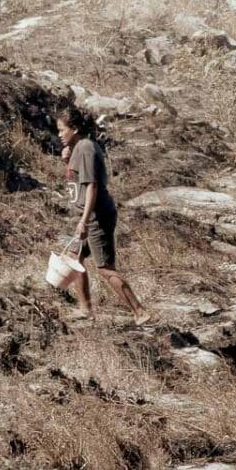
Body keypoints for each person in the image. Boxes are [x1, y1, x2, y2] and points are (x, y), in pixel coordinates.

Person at [56, 108, 150, 326]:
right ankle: (85, 309)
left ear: (75, 128)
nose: (59, 134)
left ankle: (140, 312)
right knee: (74, 258)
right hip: (89, 214)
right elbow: (77, 181)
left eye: (62, 130)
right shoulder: (77, 148)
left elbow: (92, 186)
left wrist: (84, 221)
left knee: (105, 268)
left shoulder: (86, 148)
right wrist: (67, 161)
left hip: (97, 215)